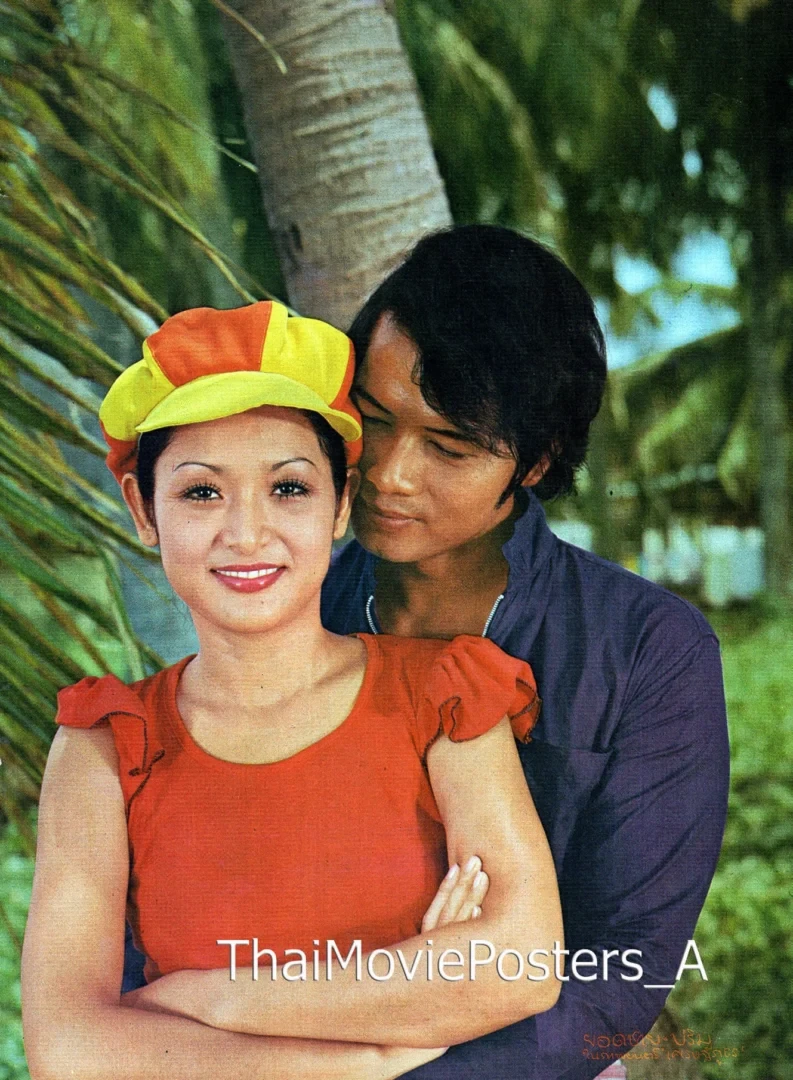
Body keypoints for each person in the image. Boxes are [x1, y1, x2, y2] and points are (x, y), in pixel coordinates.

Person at [21, 300, 563, 1080]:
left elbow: (522, 963)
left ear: (341, 503)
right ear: (143, 510)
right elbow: (68, 1050)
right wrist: (375, 1047)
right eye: (201, 493)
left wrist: (214, 998)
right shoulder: (105, 744)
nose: (247, 533)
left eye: (288, 489)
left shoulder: (444, 696)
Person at [318, 225, 730, 1079]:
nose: (389, 473)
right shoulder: (293, 608)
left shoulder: (648, 651)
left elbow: (621, 973)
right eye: (373, 420)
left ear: (535, 463)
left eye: (447, 447)